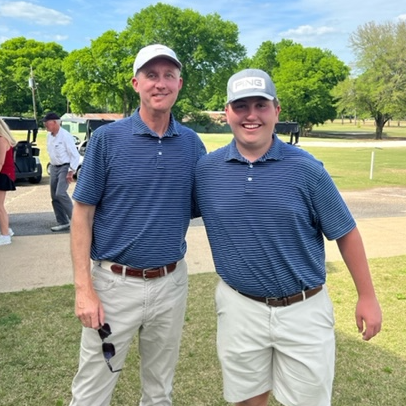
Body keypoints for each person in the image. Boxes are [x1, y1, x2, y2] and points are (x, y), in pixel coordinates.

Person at [195, 68, 382, 406]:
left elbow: (346, 232)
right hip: (239, 306)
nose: (251, 115)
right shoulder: (207, 170)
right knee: (247, 399)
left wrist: (366, 296)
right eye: (241, 106)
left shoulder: (306, 169)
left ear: (276, 111)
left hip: (303, 308)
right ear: (227, 113)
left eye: (261, 105)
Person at [69, 44, 206, 406]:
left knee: (160, 390)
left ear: (179, 83)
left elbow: (207, 205)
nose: (160, 84)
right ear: (135, 83)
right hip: (114, 285)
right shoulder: (107, 140)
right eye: (151, 75)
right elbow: (82, 214)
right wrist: (84, 288)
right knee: (92, 390)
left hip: (170, 284)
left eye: (168, 75)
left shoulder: (192, 145)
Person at [44, 112, 80, 232]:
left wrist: (71, 171)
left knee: (60, 193)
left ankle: (76, 221)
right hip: (54, 166)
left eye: (47, 123)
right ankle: (63, 222)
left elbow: (74, 155)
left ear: (55, 122)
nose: (45, 125)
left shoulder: (65, 136)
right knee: (54, 196)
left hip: (65, 166)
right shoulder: (49, 136)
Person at [0, 118, 17, 246]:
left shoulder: (2, 140)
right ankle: (7, 231)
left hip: (3, 175)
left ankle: (5, 235)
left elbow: (0, 162)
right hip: (5, 174)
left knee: (0, 207)